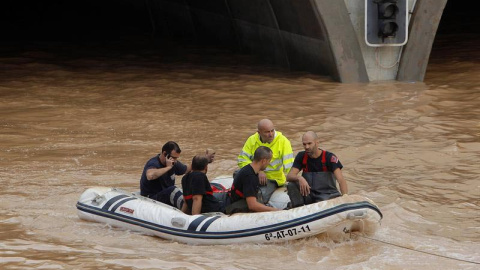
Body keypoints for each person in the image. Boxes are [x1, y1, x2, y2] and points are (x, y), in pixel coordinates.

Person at [237, 119, 294, 204]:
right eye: (267, 132)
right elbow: (242, 160)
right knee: (237, 174)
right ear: (259, 132)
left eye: (272, 131)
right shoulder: (252, 140)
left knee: (261, 197)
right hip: (254, 174)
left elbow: (290, 167)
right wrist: (258, 171)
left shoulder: (283, 141)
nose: (271, 134)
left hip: (273, 179)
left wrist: (293, 183)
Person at [286, 131, 348, 208]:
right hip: (309, 195)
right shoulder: (301, 156)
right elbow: (289, 176)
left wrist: (345, 197)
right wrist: (300, 178)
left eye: (309, 143)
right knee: (291, 185)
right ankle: (297, 208)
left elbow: (341, 180)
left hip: (327, 195)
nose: (307, 147)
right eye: (304, 144)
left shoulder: (329, 157)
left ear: (317, 143)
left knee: (325, 203)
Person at [227, 146, 280, 214]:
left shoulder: (248, 168)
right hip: (236, 205)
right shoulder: (250, 177)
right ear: (263, 161)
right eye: (269, 161)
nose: (269, 163)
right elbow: (252, 206)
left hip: (236, 199)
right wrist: (276, 211)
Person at [140, 141, 190, 209]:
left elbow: (187, 169)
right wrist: (168, 167)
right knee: (172, 190)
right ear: (164, 154)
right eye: (173, 158)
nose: (175, 161)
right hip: (151, 198)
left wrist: (203, 161)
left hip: (166, 195)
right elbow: (150, 175)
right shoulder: (153, 163)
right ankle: (188, 209)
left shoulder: (173, 163)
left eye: (176, 158)